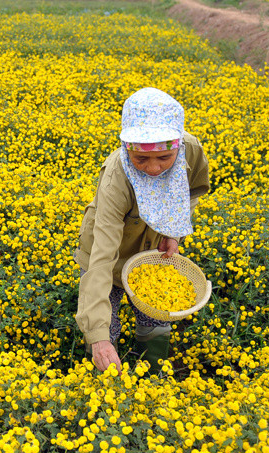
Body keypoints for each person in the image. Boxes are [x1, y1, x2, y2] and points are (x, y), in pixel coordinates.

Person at [74, 87, 210, 374]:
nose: (153, 168)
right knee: (102, 328)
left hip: (151, 250)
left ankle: (151, 372)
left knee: (156, 319)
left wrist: (173, 233)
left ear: (177, 146)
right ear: (128, 150)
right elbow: (102, 258)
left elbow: (193, 192)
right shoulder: (116, 179)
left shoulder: (191, 151)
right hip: (110, 249)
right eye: (141, 160)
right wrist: (98, 338)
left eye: (163, 158)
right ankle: (100, 378)